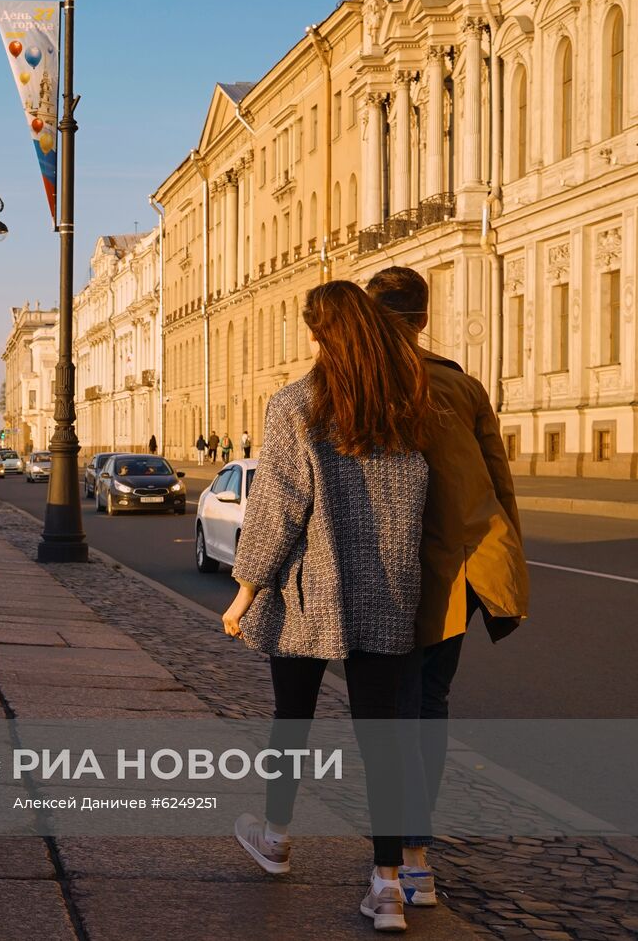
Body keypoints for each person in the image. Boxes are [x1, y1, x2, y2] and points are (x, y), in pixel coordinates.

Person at [221, 280, 433, 933]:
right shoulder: (403, 402)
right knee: (384, 737)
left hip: (311, 592)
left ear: (323, 334)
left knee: (292, 719)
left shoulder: (297, 403)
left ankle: (277, 835)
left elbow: (279, 505)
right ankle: (388, 883)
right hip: (390, 592)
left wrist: (245, 590)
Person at [366, 266, 529, 907]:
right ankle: (416, 864)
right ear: (425, 320)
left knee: (387, 716)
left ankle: (385, 874)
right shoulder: (461, 386)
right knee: (429, 710)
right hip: (453, 577)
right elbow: (498, 486)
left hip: (380, 577)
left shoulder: (354, 387)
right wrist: (505, 568)